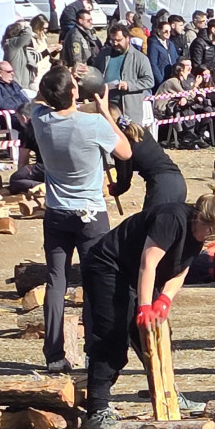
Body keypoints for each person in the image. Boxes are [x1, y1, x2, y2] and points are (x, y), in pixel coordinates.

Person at [78, 190, 215, 429]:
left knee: (159, 334)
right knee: (113, 336)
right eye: (213, 233)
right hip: (109, 267)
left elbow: (180, 271)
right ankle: (97, 410)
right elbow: (148, 263)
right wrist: (144, 307)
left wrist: (164, 300)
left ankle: (167, 392)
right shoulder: (171, 219)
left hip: (138, 274)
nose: (211, 240)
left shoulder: (197, 234)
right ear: (203, 220)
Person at [34, 67, 131, 373]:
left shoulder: (40, 120)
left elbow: (39, 99)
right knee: (94, 283)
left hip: (56, 212)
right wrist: (104, 111)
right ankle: (93, 352)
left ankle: (53, 354)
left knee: (56, 281)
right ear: (75, 92)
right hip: (90, 214)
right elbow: (125, 152)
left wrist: (59, 77)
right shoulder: (94, 124)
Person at [102, 24, 155, 126]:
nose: (115, 43)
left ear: (128, 38)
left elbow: (149, 81)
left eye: (119, 40)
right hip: (107, 106)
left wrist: (129, 85)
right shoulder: (104, 55)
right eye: (113, 40)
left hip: (129, 109)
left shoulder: (140, 58)